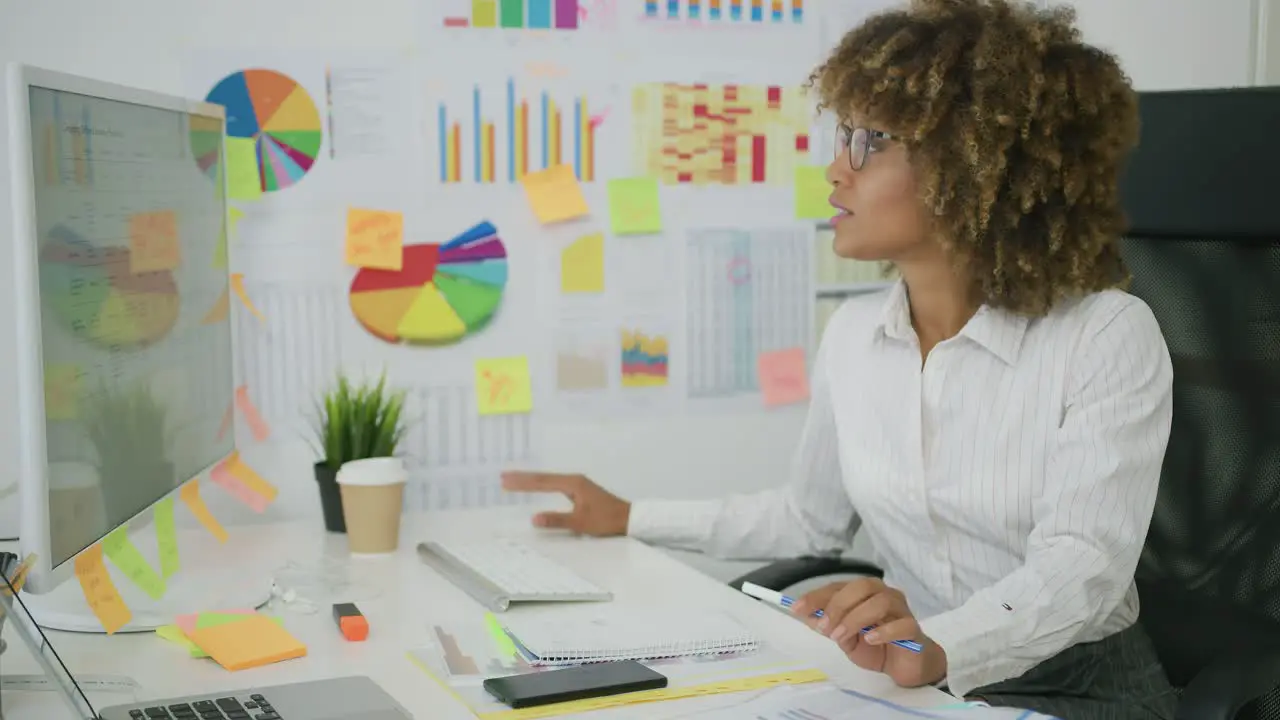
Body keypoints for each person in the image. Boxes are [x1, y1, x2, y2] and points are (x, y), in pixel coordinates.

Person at [504, 0, 1179, 717]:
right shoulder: (855, 335)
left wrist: (935, 643)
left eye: (869, 141)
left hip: (1076, 687)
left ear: (976, 162)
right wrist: (630, 515)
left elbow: (1083, 570)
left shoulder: (1105, 334)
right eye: (842, 136)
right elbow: (808, 519)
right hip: (911, 672)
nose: (835, 170)